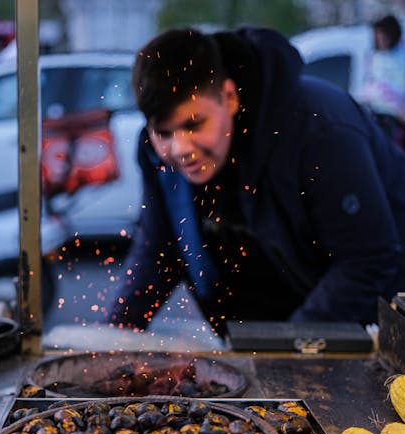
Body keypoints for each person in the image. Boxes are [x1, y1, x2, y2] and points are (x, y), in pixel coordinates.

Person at [106, 25, 405, 338]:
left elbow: (366, 260)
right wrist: (113, 338)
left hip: (372, 321)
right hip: (262, 326)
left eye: (194, 124)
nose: (181, 150)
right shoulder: (156, 156)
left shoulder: (321, 131)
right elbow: (158, 251)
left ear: (230, 97)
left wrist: (281, 352)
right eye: (164, 133)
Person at [357, 14, 405, 151]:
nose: (379, 39)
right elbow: (377, 88)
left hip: (396, 122)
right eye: (376, 35)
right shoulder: (376, 58)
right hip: (381, 118)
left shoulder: (400, 56)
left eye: (382, 35)